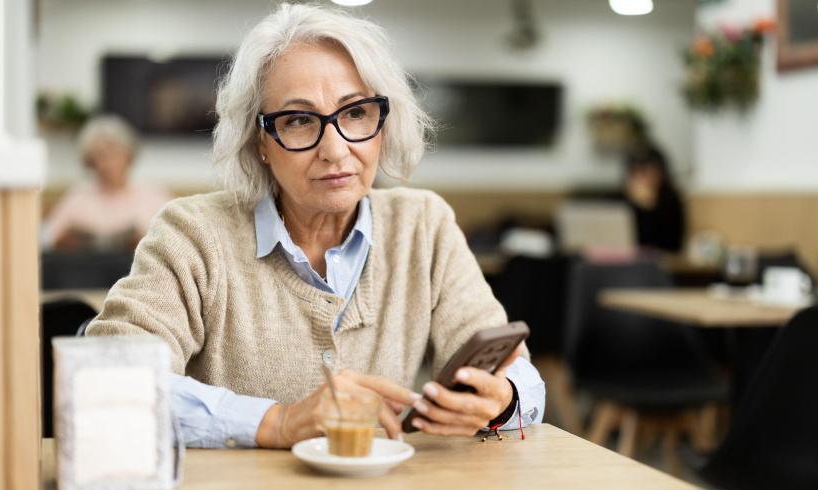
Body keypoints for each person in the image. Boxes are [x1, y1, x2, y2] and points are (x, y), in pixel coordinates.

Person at [86, 3, 545, 449]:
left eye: (356, 113)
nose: (336, 149)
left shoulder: (424, 225)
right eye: (300, 120)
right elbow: (108, 380)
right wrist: (277, 422)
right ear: (259, 139)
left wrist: (502, 401)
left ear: (383, 121)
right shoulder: (193, 234)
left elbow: (517, 375)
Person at [42, 115, 172, 252]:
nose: (107, 163)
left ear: (129, 155)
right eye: (99, 156)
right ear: (89, 163)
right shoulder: (78, 196)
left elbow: (176, 240)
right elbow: (48, 236)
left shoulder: (154, 195)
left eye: (113, 153)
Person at [623, 146, 685, 253]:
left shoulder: (671, 201)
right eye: (635, 171)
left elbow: (672, 245)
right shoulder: (622, 200)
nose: (641, 177)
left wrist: (648, 208)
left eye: (646, 171)